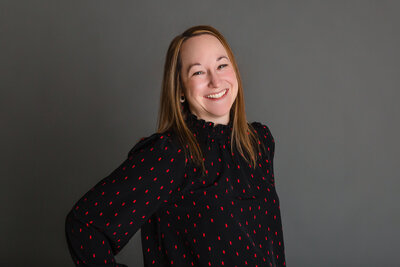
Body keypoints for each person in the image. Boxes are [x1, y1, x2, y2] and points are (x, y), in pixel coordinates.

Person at [65, 25, 286, 267]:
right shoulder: (171, 153)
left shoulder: (259, 142)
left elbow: (270, 245)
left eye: (222, 65)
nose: (215, 81)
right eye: (198, 72)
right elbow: (84, 226)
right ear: (180, 89)